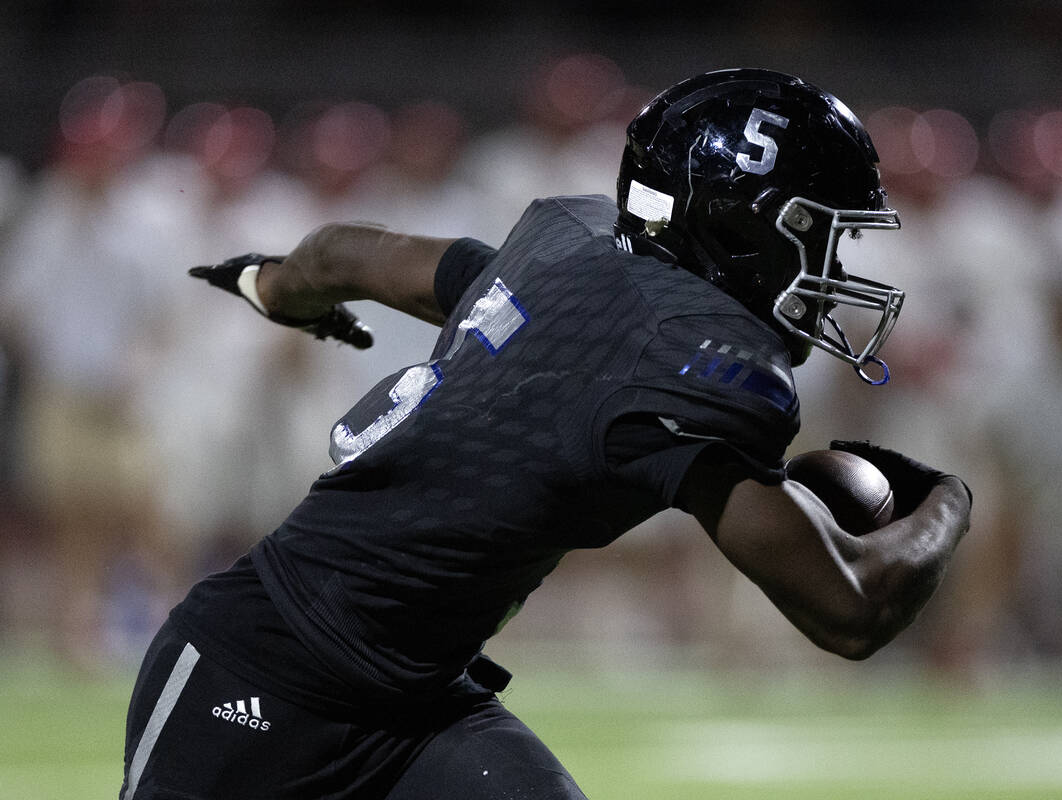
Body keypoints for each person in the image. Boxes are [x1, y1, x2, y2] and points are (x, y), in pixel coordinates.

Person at [120, 68, 972, 800]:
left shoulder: (573, 246)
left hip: (418, 700)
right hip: (264, 669)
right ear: (743, 227)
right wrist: (946, 501)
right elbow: (850, 611)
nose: (834, 271)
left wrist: (271, 285)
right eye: (817, 233)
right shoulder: (691, 361)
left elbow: (350, 253)